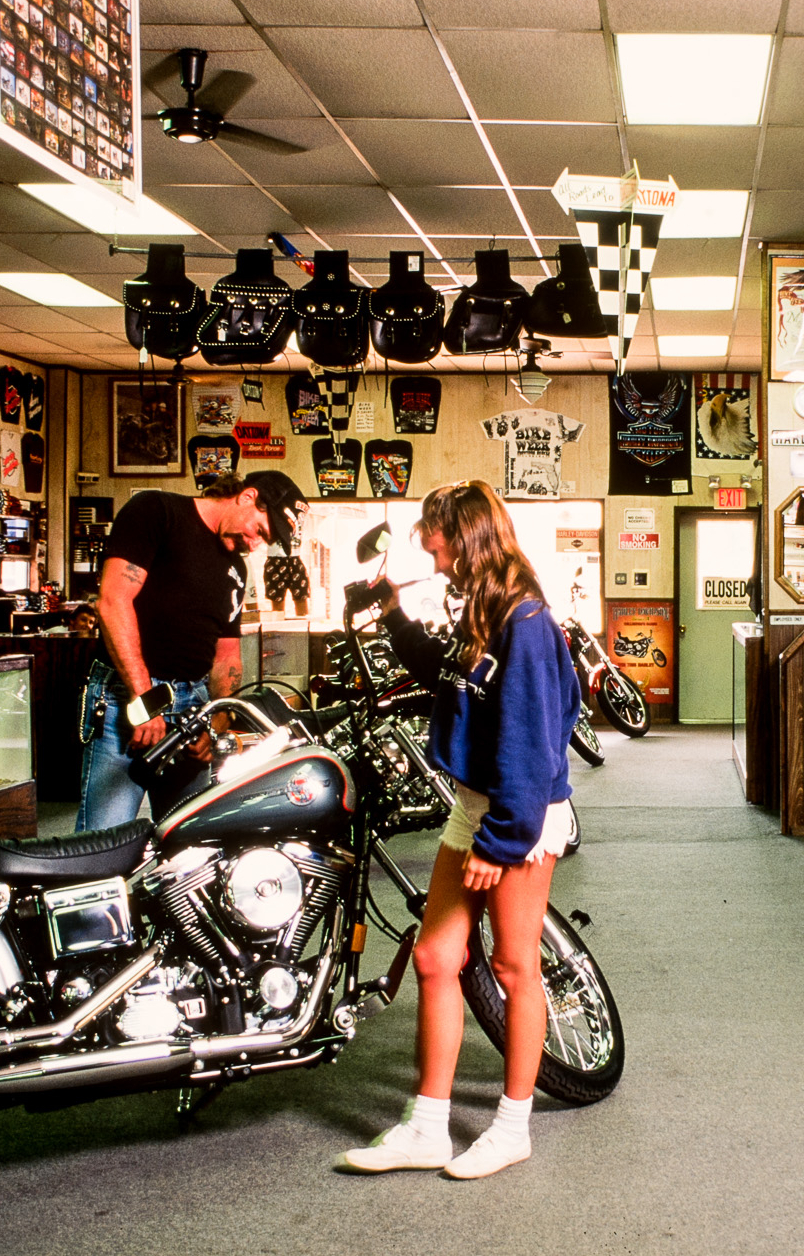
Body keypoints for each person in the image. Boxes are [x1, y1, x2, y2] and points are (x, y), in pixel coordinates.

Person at [335, 479, 584, 1181]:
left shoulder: (525, 621)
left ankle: (512, 1127)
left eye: (435, 541)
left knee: (512, 966)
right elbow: (450, 679)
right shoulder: (480, 608)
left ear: (466, 536)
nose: (431, 554)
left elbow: (534, 750)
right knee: (437, 957)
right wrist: (393, 616)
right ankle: (428, 1125)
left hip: (520, 814)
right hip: (475, 805)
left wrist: (499, 842)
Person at [75, 470, 308, 832]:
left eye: (266, 540)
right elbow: (113, 602)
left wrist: (216, 727)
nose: (255, 544)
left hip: (192, 709)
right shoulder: (157, 512)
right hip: (128, 697)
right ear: (248, 497)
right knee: (103, 843)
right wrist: (144, 698)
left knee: (190, 842)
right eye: (260, 530)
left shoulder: (236, 569)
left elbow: (227, 655)